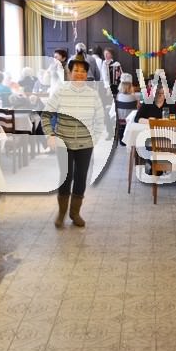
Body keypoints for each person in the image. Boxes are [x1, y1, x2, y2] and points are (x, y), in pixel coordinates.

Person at [41, 52, 106, 229]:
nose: (79, 74)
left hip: (85, 144)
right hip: (64, 143)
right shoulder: (60, 92)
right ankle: (62, 213)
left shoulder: (93, 94)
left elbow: (100, 119)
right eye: (76, 70)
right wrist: (50, 135)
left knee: (80, 177)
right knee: (66, 177)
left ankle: (75, 213)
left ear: (86, 74)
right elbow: (46, 115)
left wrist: (94, 137)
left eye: (83, 71)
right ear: (69, 73)